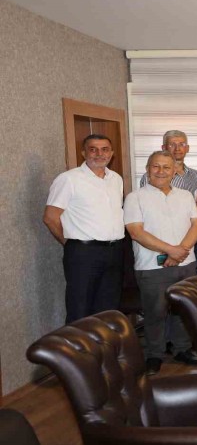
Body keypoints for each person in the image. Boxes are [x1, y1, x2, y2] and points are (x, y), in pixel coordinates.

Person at [124, 151, 197, 375]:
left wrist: (180, 251)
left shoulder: (185, 196)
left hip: (186, 263)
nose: (161, 171)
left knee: (183, 310)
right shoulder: (135, 197)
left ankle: (182, 349)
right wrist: (171, 250)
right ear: (147, 169)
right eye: (155, 166)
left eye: (166, 167)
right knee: (155, 312)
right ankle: (154, 355)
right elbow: (136, 232)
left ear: (174, 171)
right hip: (152, 266)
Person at [43, 134, 124, 324]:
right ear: (83, 153)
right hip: (83, 252)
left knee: (108, 309)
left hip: (115, 251)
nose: (99, 154)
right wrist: (71, 243)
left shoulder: (116, 179)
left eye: (105, 149)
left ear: (111, 153)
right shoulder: (69, 179)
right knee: (80, 309)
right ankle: (77, 345)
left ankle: (103, 344)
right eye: (93, 149)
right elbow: (50, 217)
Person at [138, 130, 197, 271]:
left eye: (182, 144)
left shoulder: (195, 175)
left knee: (190, 276)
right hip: (164, 240)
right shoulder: (152, 176)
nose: (177, 148)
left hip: (191, 238)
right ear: (163, 148)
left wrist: (185, 245)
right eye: (172, 144)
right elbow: (149, 208)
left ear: (187, 148)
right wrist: (172, 251)